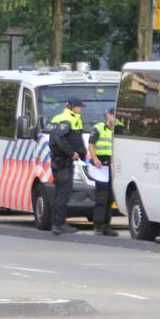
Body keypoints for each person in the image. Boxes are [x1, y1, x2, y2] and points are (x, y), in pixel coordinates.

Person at [48, 97, 87, 236]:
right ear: (71, 107)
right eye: (78, 107)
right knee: (63, 193)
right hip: (63, 162)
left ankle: (58, 223)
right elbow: (58, 138)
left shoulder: (65, 117)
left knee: (61, 193)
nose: (80, 109)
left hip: (61, 161)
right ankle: (58, 225)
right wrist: (71, 153)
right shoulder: (66, 118)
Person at [88, 108, 119, 237]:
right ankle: (98, 225)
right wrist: (95, 159)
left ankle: (107, 225)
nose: (115, 119)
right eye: (113, 116)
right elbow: (91, 144)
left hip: (112, 165)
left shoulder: (117, 130)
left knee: (110, 197)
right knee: (102, 196)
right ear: (108, 115)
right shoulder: (99, 128)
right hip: (101, 165)